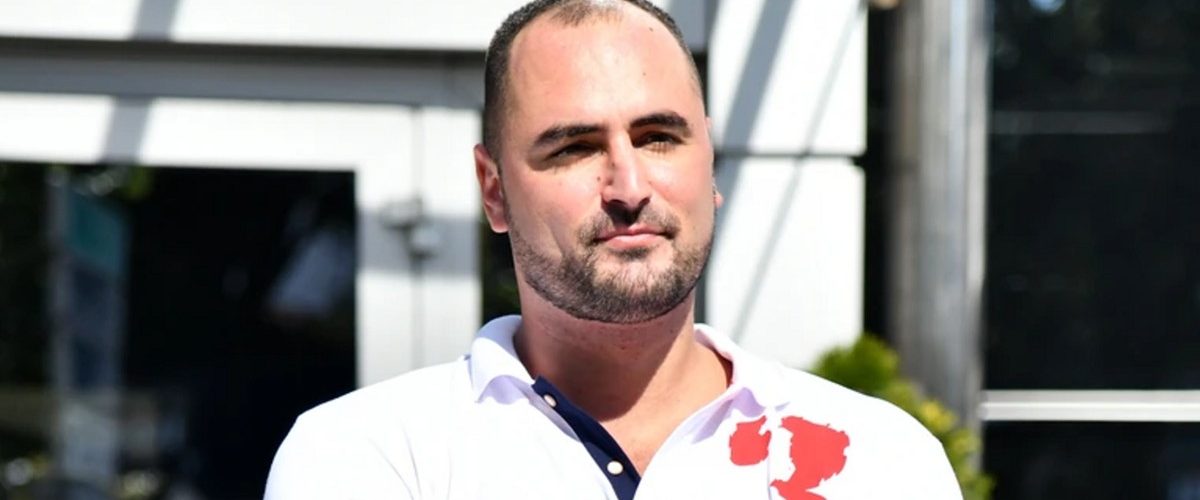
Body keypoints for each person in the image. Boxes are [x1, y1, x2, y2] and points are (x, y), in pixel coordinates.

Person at [264, 1, 963, 498]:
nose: (628, 187)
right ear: (494, 190)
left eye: (659, 138)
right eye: (573, 147)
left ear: (709, 162)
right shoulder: (369, 455)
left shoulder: (878, 461)